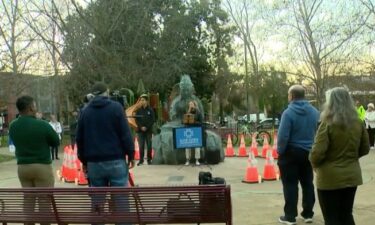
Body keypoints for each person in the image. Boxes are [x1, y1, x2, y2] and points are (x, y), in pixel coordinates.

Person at [76, 82, 134, 224]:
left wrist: (84, 161)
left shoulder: (85, 111)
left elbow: (79, 139)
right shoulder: (116, 108)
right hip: (116, 160)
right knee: (121, 201)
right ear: (106, 93)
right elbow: (125, 134)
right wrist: (130, 154)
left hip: (94, 163)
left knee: (97, 201)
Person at [310, 87, 369, 225]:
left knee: (331, 218)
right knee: (346, 214)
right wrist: (351, 158)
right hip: (352, 176)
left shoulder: (328, 123)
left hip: (329, 178)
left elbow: (317, 152)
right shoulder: (358, 122)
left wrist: (314, 164)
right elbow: (365, 148)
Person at [9, 95, 60, 225]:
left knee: (28, 199)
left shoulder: (13, 126)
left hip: (23, 167)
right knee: (44, 200)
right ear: (31, 107)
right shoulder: (42, 124)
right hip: (41, 166)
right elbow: (55, 141)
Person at [277, 84, 319, 225]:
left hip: (291, 153)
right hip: (308, 152)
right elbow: (318, 132)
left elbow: (283, 136)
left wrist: (280, 151)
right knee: (307, 183)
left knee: (290, 185)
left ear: (292, 96)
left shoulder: (288, 113)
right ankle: (308, 214)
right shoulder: (314, 112)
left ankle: (290, 216)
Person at [135, 94, 155, 166]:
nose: (141, 101)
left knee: (149, 145)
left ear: (146, 101)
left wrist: (146, 127)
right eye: (141, 100)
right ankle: (141, 160)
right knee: (141, 146)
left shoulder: (150, 109)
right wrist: (141, 127)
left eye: (143, 100)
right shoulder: (139, 110)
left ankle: (149, 160)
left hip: (148, 131)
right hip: (140, 131)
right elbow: (137, 120)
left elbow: (152, 120)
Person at [184, 100, 203, 166]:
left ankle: (197, 160)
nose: (191, 106)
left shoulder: (198, 112)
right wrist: (188, 113)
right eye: (189, 104)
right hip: (189, 131)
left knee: (197, 145)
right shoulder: (187, 112)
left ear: (195, 105)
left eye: (192, 104)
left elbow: (201, 122)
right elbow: (185, 122)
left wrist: (194, 122)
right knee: (187, 146)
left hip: (196, 130)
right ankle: (187, 159)